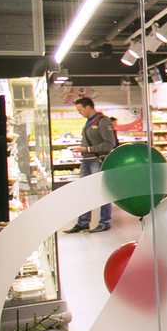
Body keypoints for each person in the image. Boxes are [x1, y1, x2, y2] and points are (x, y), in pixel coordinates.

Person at [64, 96, 118, 233]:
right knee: (84, 192)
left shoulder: (102, 121)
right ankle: (83, 222)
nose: (79, 112)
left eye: (80, 109)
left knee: (102, 192)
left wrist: (88, 149)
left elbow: (109, 144)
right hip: (86, 161)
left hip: (97, 161)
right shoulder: (89, 122)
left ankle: (104, 222)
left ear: (88, 107)